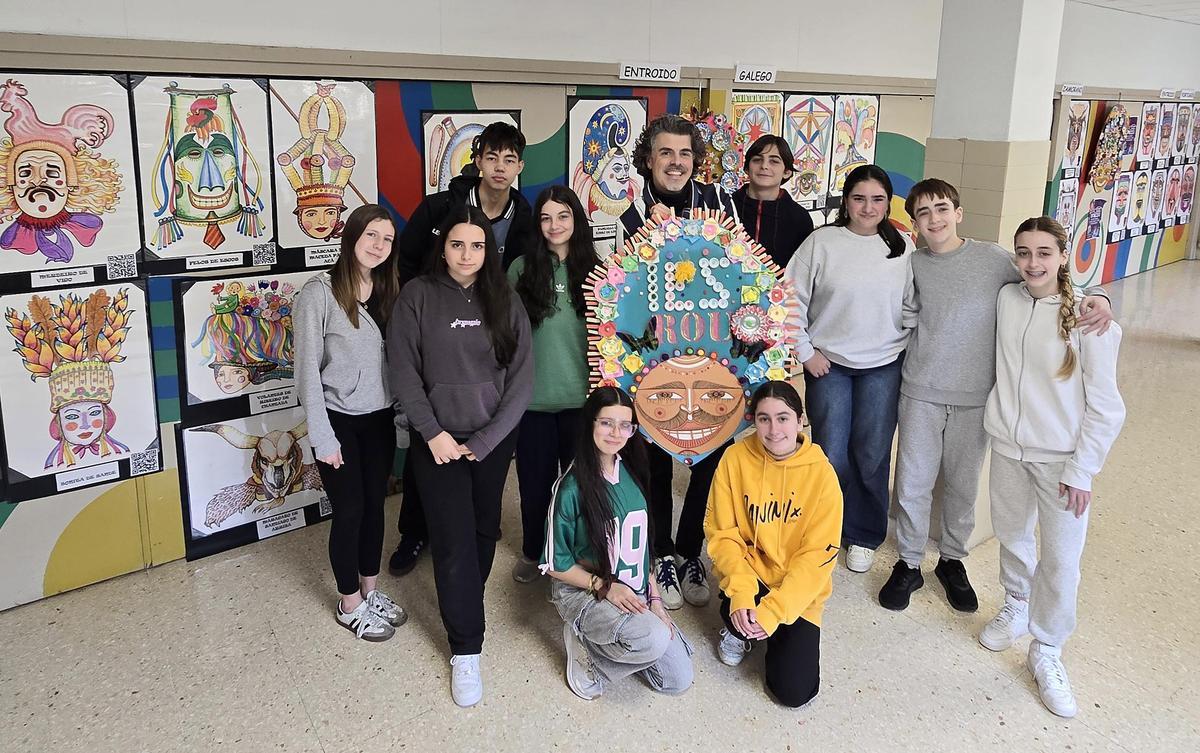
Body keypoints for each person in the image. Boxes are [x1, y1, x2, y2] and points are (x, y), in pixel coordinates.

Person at [881, 179, 1113, 613]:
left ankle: (951, 560)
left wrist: (1097, 296)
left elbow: (1047, 277)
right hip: (920, 392)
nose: (935, 219)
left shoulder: (993, 259)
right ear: (914, 223)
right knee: (912, 481)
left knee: (962, 486)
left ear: (959, 213)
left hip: (976, 398)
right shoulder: (914, 264)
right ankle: (909, 562)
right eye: (924, 213)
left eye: (942, 208)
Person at [978, 216, 1124, 719]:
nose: (1032, 263)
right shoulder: (1008, 298)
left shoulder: (1088, 319)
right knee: (1012, 533)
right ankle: (1017, 603)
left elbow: (1108, 406)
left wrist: (1083, 470)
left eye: (1044, 253)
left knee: (1061, 558)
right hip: (1008, 448)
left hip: (1063, 460)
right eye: (1023, 253)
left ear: (1064, 255)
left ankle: (1047, 647)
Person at [387, 204, 533, 707]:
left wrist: (487, 441)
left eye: (476, 245)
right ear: (441, 246)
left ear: (487, 251)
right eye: (456, 244)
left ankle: (464, 599)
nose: (466, 254)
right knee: (451, 542)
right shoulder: (417, 297)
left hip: (490, 442)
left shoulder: (504, 299)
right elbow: (403, 371)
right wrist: (433, 434)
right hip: (437, 444)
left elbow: (521, 380)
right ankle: (466, 647)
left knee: (483, 531)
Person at [389, 121, 535, 577]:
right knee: (427, 454)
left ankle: (470, 538)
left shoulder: (524, 215)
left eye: (509, 159)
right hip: (438, 334)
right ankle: (414, 534)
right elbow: (407, 260)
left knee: (478, 470)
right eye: (491, 157)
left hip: (490, 335)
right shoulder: (441, 208)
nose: (499, 167)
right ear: (477, 161)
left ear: (519, 167)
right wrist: (426, 312)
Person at [618, 113, 740, 610]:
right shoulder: (628, 216)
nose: (676, 162)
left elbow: (741, 275)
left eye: (685, 153)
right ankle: (661, 552)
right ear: (649, 158)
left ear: (696, 159)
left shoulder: (720, 206)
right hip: (653, 361)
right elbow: (618, 294)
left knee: (709, 453)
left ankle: (690, 549)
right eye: (665, 153)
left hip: (712, 357)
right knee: (657, 460)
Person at [783, 164, 913, 575]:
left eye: (877, 199)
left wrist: (903, 340)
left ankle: (862, 535)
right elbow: (789, 298)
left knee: (872, 454)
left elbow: (913, 304)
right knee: (830, 453)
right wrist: (805, 352)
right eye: (859, 198)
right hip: (829, 366)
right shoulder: (822, 243)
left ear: (887, 202)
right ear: (846, 201)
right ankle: (826, 528)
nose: (868, 207)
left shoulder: (903, 246)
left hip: (884, 366)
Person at [294, 204, 407, 642]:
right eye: (371, 236)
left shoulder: (387, 291)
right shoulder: (318, 294)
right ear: (351, 237)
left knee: (376, 508)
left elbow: (393, 365)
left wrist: (399, 421)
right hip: (339, 422)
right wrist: (322, 437)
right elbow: (306, 374)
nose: (378, 246)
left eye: (387, 239)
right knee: (350, 511)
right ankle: (348, 603)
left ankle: (370, 590)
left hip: (378, 420)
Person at [542, 386, 693, 700]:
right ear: (590, 424)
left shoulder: (634, 470)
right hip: (586, 588)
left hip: (634, 587)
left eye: (626, 425)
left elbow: (641, 550)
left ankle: (622, 640)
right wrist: (604, 586)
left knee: (676, 680)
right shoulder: (570, 487)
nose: (616, 433)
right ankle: (592, 654)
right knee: (651, 639)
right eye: (606, 423)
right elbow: (555, 565)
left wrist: (654, 601)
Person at [704, 381, 842, 708]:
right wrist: (740, 594)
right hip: (751, 576)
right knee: (736, 602)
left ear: (800, 420)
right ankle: (738, 626)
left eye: (783, 418)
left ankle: (767, 627)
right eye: (763, 418)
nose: (773, 428)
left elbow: (817, 560)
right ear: (754, 421)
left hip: (797, 588)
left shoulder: (822, 475)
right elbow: (723, 534)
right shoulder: (735, 458)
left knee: (794, 693)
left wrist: (775, 611)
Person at [507, 186, 598, 582]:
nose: (554, 225)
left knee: (581, 486)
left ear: (576, 220)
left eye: (562, 216)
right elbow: (504, 335)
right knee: (535, 484)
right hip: (532, 402)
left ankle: (576, 555)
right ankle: (534, 551)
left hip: (583, 400)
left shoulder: (599, 268)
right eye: (546, 217)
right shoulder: (520, 269)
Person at [731, 135, 814, 268]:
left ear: (786, 172)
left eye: (774, 161)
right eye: (757, 160)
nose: (764, 166)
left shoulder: (799, 218)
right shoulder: (726, 206)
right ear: (747, 168)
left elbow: (802, 270)